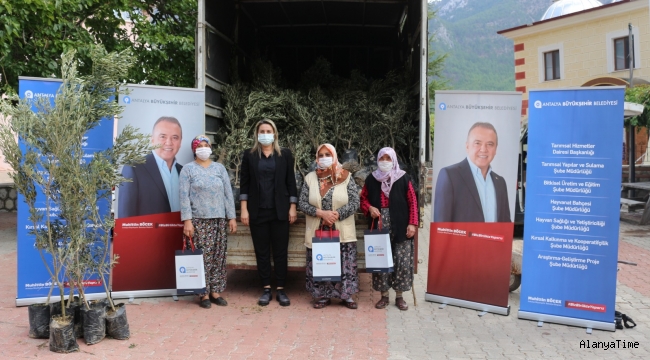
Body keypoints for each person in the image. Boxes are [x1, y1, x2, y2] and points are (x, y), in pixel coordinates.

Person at [240, 119, 298, 307]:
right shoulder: (249, 156)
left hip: (280, 210)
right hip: (257, 211)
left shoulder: (285, 155)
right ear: (257, 134)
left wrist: (292, 206)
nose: (265, 133)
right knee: (262, 251)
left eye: (268, 130)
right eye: (262, 130)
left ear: (275, 134)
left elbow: (291, 182)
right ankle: (266, 288)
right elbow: (245, 183)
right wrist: (244, 209)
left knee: (281, 251)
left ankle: (281, 289)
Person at [299, 143, 360, 310]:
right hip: (319, 229)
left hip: (341, 229)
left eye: (328, 154)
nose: (324, 158)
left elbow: (355, 202)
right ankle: (322, 296)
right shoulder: (310, 178)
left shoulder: (345, 176)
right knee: (322, 262)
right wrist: (321, 214)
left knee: (343, 262)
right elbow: (302, 203)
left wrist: (336, 214)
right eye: (321, 155)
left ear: (334, 156)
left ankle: (346, 295)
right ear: (316, 158)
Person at [180, 135, 237, 309]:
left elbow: (228, 194)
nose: (203, 148)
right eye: (200, 145)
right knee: (202, 258)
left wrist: (232, 217)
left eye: (206, 145)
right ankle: (203, 293)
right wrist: (187, 221)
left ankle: (216, 291)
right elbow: (183, 197)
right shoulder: (188, 170)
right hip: (199, 221)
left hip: (218, 220)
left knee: (218, 257)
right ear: (194, 149)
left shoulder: (219, 169)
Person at [360, 147, 419, 311]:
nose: (385, 161)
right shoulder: (371, 179)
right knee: (381, 260)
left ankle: (399, 296)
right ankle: (384, 296)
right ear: (378, 160)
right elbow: (363, 199)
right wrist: (370, 208)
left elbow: (413, 202)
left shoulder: (403, 177)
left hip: (401, 224)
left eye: (388, 158)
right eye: (382, 158)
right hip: (379, 225)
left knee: (401, 260)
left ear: (394, 160)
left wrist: (412, 223)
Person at [434, 122, 511, 223]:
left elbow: (505, 225)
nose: (483, 149)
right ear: (467, 146)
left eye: (490, 144)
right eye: (477, 143)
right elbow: (441, 227)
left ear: (495, 149)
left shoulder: (500, 182)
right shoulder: (450, 176)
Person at [118, 116, 184, 218]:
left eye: (175, 137)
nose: (169, 142)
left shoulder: (184, 171)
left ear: (180, 142)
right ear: (152, 140)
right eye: (163, 136)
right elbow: (125, 220)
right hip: (149, 234)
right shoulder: (133, 168)